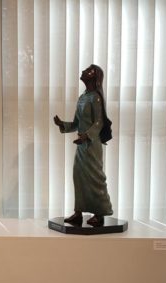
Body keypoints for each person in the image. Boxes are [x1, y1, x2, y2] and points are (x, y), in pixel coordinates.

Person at [53, 64, 113, 226]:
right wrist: (62, 125)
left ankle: (100, 213)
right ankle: (78, 212)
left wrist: (86, 136)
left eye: (88, 71)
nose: (83, 72)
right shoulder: (83, 97)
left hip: (92, 145)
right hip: (81, 144)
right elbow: (76, 123)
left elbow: (99, 122)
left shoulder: (96, 97)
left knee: (95, 177)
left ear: (94, 77)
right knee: (78, 176)